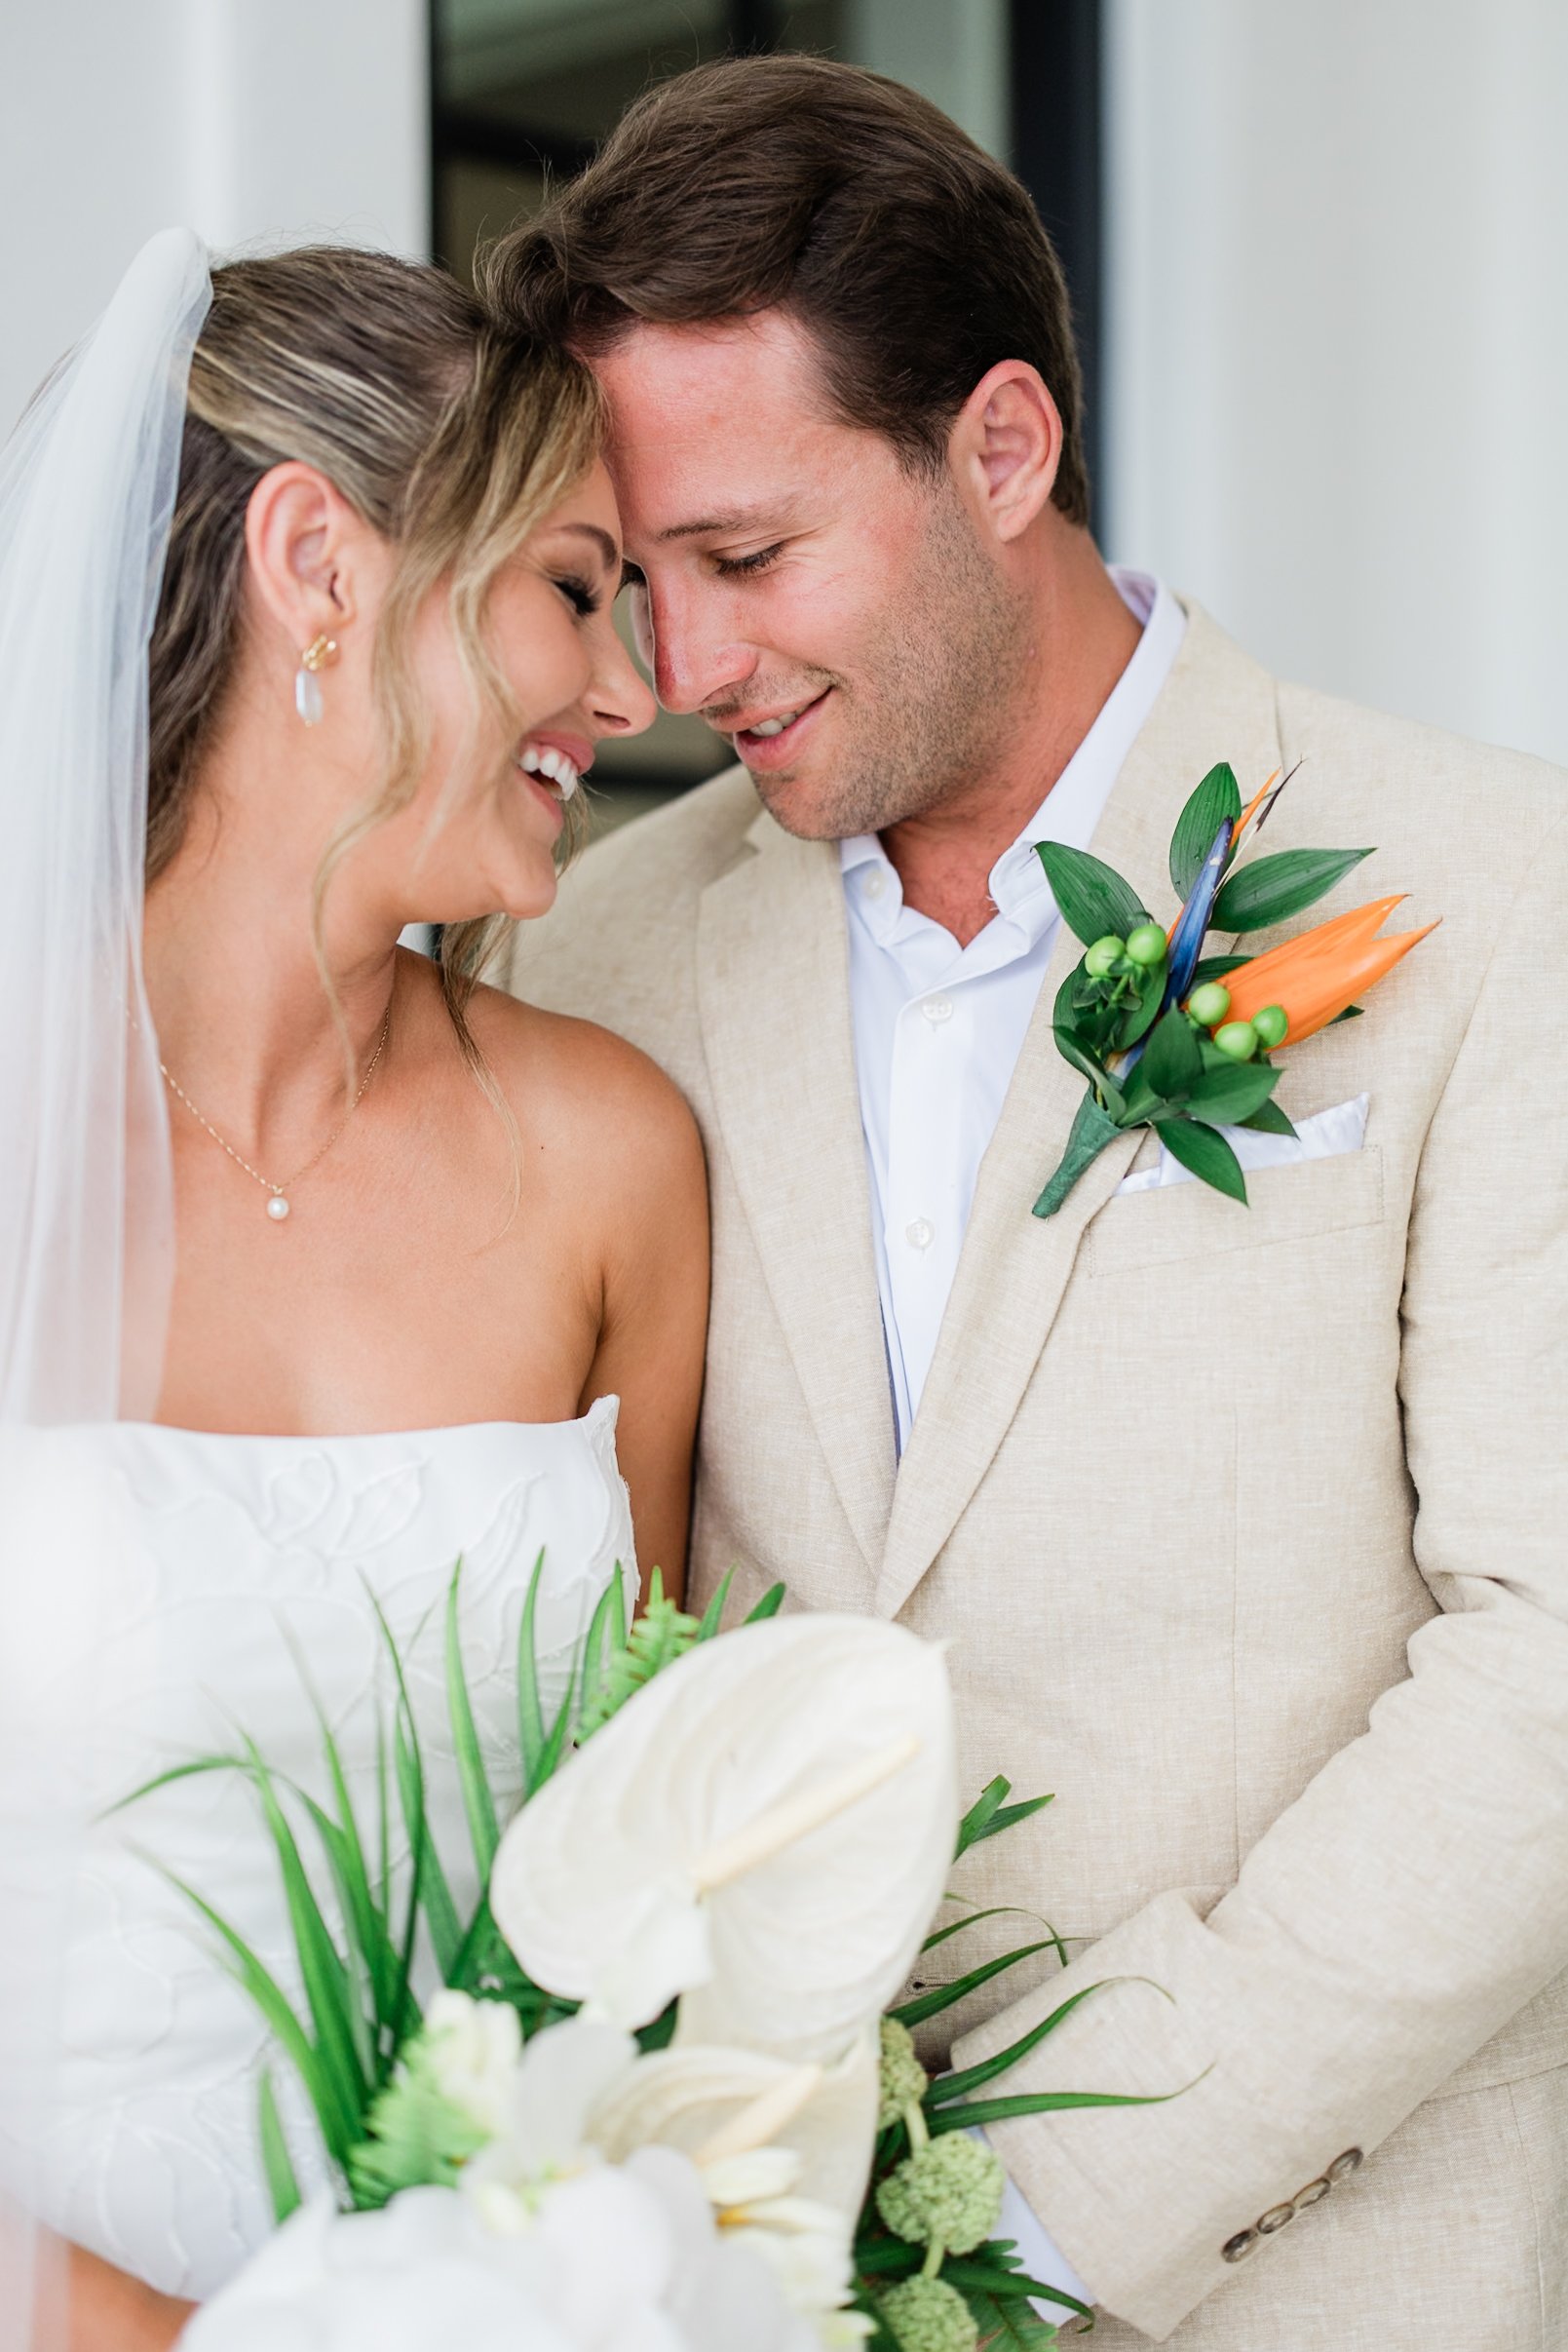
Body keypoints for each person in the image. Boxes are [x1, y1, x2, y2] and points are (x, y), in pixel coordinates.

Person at [491, 53, 1568, 2351]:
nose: (684, 676)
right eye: (637, 579)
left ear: (1000, 448)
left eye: (749, 558)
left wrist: (1045, 2204)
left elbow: (1547, 1661)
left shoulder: (1498, 894)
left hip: (1340, 2278)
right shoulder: (586, 950)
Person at [0, 233, 704, 2350]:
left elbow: (640, 1888)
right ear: (322, 561)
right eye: (577, 587)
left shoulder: (615, 1162)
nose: (635, 690)